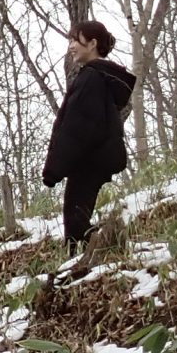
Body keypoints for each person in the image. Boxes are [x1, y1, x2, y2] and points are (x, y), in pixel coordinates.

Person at [41, 19, 136, 263]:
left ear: (92, 43)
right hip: (94, 159)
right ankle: (93, 260)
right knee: (77, 220)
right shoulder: (100, 76)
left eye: (75, 40)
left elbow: (77, 127)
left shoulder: (92, 78)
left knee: (75, 223)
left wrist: (54, 169)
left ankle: (101, 259)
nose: (71, 46)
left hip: (87, 161)